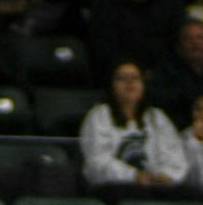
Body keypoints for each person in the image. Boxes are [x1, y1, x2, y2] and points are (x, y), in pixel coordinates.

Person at [81, 62, 190, 194]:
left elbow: (175, 156)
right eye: (122, 78)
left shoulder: (156, 116)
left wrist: (167, 175)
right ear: (112, 85)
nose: (129, 83)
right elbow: (97, 162)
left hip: (156, 188)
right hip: (115, 188)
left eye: (135, 78)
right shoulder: (99, 115)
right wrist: (134, 176)